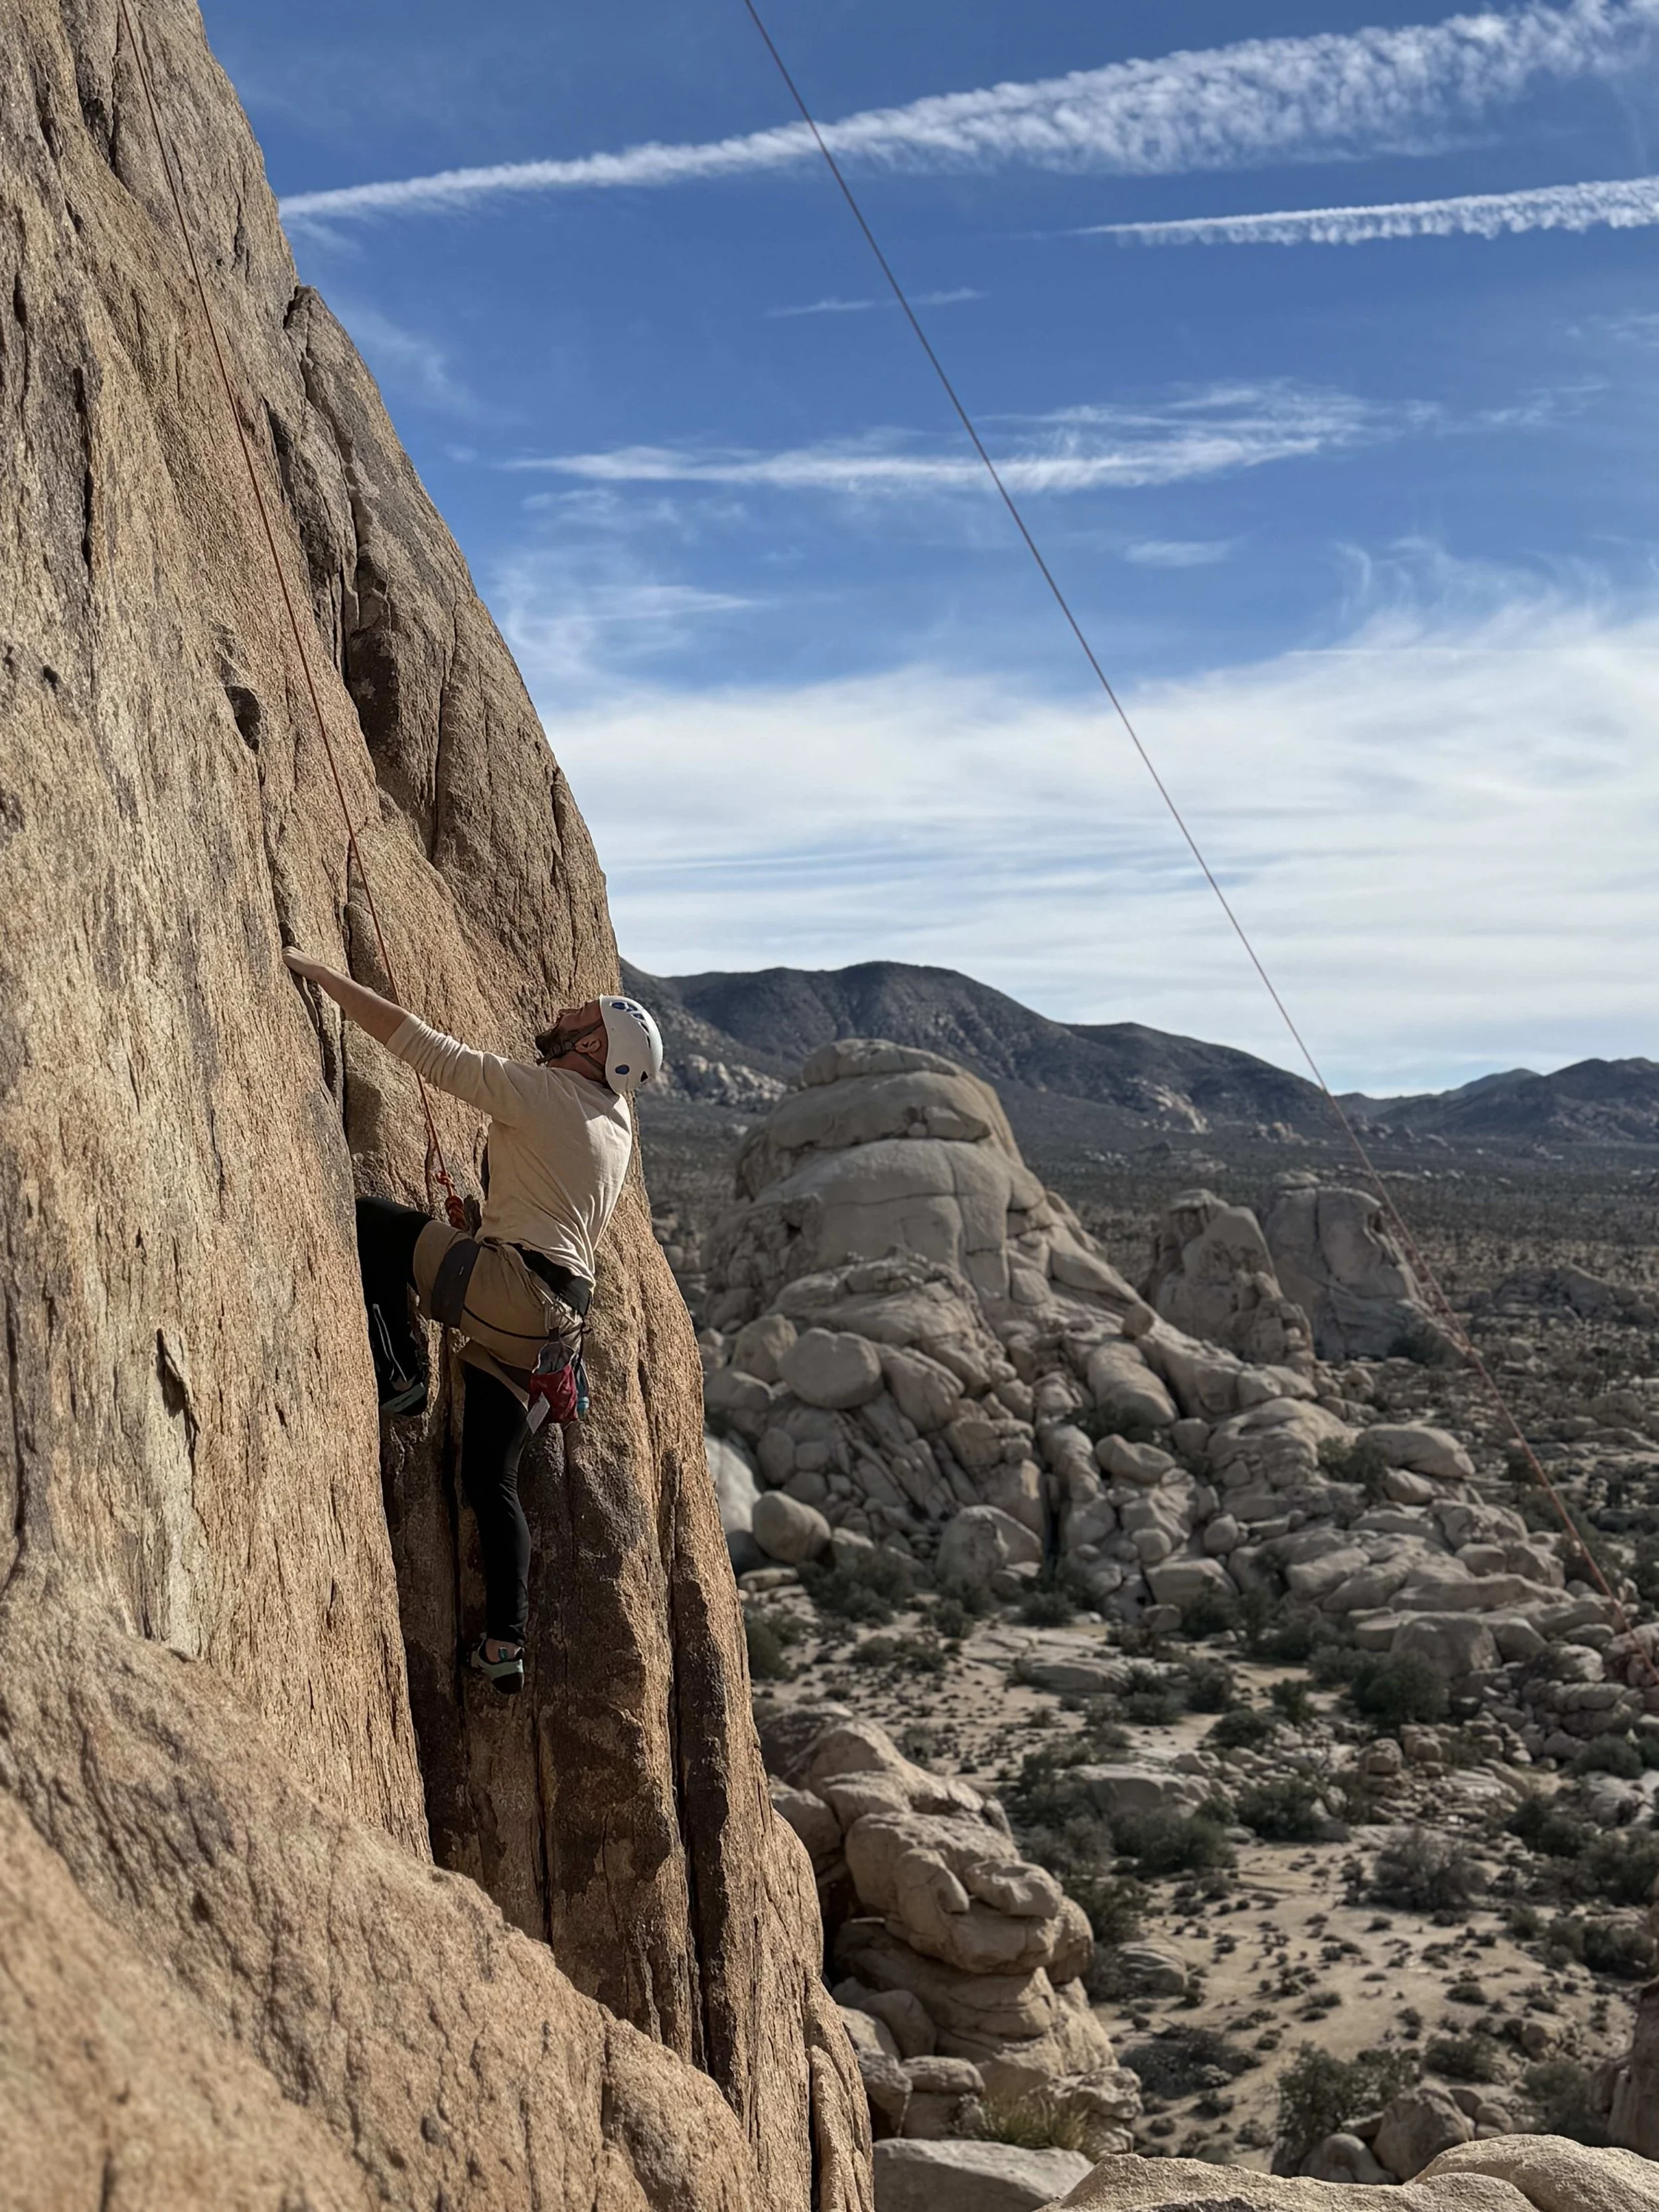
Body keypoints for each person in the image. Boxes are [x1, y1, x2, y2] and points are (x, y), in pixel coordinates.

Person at [282, 947, 662, 1696]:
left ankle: (401, 1374)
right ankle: (505, 1645)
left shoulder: (546, 1091)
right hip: (554, 1328)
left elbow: (425, 1048)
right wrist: (487, 1228)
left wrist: (326, 979)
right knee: (492, 1478)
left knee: (371, 1225)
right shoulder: (617, 1124)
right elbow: (554, 1195)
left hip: (514, 1291)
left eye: (579, 1017)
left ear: (593, 1048)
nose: (562, 1015)